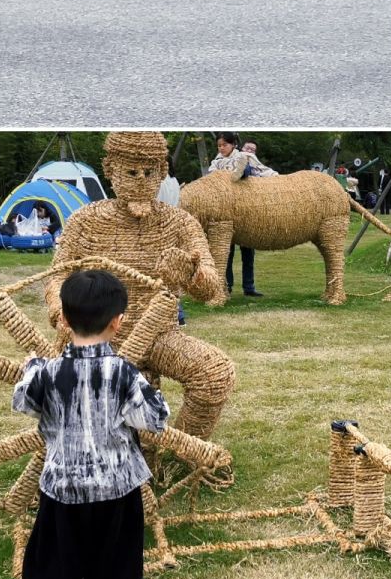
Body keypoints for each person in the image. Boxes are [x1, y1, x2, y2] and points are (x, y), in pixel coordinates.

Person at [48, 133, 234, 439]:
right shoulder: (85, 221)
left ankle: (180, 446)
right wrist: (61, 313)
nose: (141, 181)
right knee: (124, 423)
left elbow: (211, 287)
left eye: (149, 172)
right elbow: (57, 276)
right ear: (110, 169)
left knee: (214, 373)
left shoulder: (179, 222)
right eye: (131, 172)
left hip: (161, 336)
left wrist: (192, 274)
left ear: (162, 172)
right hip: (99, 336)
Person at [14, 269, 169, 579]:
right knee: (115, 566)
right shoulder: (125, 374)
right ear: (117, 322)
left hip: (62, 488)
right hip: (117, 490)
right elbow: (155, 419)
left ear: (65, 320)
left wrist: (32, 367)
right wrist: (148, 390)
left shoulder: (47, 373)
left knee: (54, 567)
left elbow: (24, 401)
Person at [207, 133, 263, 297]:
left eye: (224, 145)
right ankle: (227, 286)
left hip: (244, 209)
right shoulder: (216, 162)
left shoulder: (242, 157)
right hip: (225, 211)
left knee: (248, 253)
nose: (221, 148)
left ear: (233, 145)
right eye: (219, 145)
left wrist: (236, 172)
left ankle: (249, 287)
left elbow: (249, 172)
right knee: (226, 253)